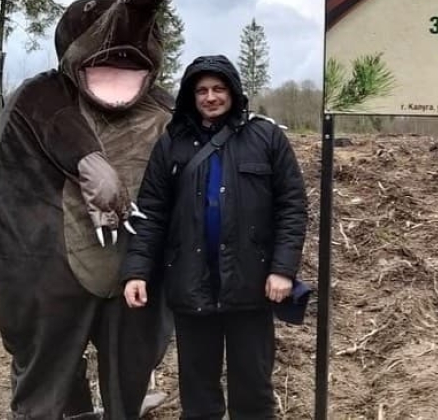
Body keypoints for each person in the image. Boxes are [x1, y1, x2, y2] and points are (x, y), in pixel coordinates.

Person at [121, 54, 308, 419]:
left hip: (251, 286)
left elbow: (292, 207)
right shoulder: (171, 143)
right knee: (198, 397)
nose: (210, 97)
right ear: (191, 96)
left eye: (219, 89)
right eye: (202, 90)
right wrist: (137, 271)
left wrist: (282, 269)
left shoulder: (266, 137)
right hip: (191, 286)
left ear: (233, 92)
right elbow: (151, 213)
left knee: (253, 393)